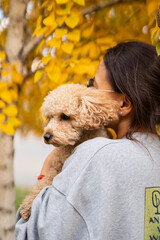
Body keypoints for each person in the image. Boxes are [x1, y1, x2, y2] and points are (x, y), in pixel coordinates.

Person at [16, 41, 160, 240]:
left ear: (124, 104)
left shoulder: (94, 155)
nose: (88, 93)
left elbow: (33, 232)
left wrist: (47, 168)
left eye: (95, 86)